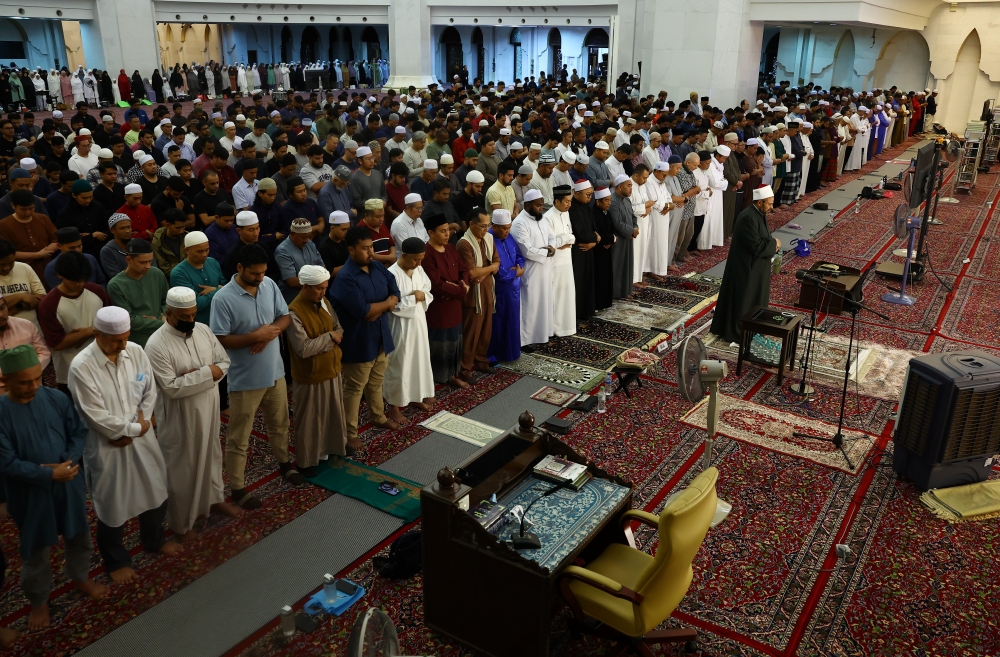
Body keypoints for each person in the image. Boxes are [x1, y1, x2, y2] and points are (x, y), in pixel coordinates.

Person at [67, 306, 184, 584]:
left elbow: (148, 390)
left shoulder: (135, 351)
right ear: (97, 334)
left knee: (155, 488)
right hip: (106, 444)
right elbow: (93, 413)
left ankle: (153, 540)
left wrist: (140, 424)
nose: (122, 346)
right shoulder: (82, 366)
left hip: (142, 438)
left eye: (125, 338)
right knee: (112, 502)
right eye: (115, 340)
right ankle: (116, 560)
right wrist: (133, 428)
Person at [0, 345, 109, 630]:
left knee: (79, 535)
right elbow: (6, 462)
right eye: (24, 382)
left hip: (68, 482)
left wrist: (69, 461)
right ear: (6, 380)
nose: (34, 387)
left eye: (38, 378)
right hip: (29, 494)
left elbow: (78, 432)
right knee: (36, 549)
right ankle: (38, 601)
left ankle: (81, 577)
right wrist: (47, 474)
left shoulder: (56, 398)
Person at [210, 243, 300, 509]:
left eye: (263, 272)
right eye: (254, 274)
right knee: (240, 436)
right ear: (239, 268)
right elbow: (219, 339)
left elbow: (284, 317)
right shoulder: (222, 298)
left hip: (275, 373)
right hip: (245, 380)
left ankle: (285, 463)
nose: (260, 278)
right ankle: (238, 487)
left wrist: (269, 333)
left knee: (280, 424)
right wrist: (253, 337)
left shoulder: (269, 284)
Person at [145, 288, 238, 541]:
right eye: (184, 316)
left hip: (209, 406)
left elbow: (224, 362)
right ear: (169, 314)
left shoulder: (204, 330)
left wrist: (198, 374)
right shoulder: (156, 344)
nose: (191, 320)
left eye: (194, 314)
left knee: (212, 454)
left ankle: (214, 500)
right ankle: (181, 525)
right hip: (180, 416)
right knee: (182, 468)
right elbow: (172, 387)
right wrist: (207, 372)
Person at [329, 226, 403, 451]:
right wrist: (386, 304)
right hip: (358, 341)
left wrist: (383, 306)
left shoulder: (377, 267)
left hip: (380, 336)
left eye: (371, 247)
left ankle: (378, 416)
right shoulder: (345, 278)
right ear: (351, 250)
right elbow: (362, 310)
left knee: (376, 381)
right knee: (354, 388)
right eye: (365, 248)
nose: (371, 252)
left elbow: (395, 292)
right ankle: (349, 433)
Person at [285, 265, 349, 476]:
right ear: (305, 287)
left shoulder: (324, 302)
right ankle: (307, 462)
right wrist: (329, 338)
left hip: (331, 368)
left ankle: (331, 450)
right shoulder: (294, 312)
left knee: (332, 414)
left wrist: (331, 336)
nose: (323, 292)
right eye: (319, 288)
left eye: (325, 288)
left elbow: (338, 327)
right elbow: (304, 348)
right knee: (310, 421)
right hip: (310, 375)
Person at [710, 185, 780, 344]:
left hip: (755, 268)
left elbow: (762, 238)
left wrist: (771, 243)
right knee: (743, 302)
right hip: (746, 269)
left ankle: (753, 330)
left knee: (754, 300)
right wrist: (775, 244)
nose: (772, 207)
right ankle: (739, 334)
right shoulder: (748, 217)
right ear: (760, 202)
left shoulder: (758, 214)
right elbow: (756, 246)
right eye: (769, 204)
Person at [38, 251, 111, 395]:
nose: (79, 284)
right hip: (70, 370)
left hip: (103, 364)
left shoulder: (96, 291)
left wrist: (87, 332)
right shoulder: (49, 304)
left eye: (83, 279)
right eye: (74, 280)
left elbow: (111, 324)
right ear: (60, 275)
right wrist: (91, 331)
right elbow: (57, 343)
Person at [384, 237, 436, 420]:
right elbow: (391, 304)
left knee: (418, 360)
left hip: (419, 323)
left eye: (421, 259)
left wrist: (419, 295)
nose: (419, 263)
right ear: (404, 255)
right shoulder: (391, 274)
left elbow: (427, 289)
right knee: (399, 364)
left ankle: (415, 396)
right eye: (415, 259)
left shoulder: (418, 269)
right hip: (400, 327)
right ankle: (394, 406)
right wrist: (414, 298)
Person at [423, 214, 470, 387]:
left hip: (454, 305)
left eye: (448, 230)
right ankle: (437, 379)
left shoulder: (450, 249)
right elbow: (437, 285)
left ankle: (452, 375)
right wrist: (461, 290)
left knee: (455, 341)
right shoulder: (427, 254)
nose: (447, 234)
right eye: (442, 231)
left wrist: (461, 285)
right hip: (439, 308)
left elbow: (463, 270)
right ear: (431, 233)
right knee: (440, 344)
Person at [510, 189, 554, 347]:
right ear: (527, 205)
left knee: (544, 302)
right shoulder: (519, 223)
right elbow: (526, 250)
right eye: (538, 205)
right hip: (531, 271)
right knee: (530, 305)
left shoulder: (542, 219)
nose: (541, 208)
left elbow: (552, 237)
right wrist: (546, 252)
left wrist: (551, 247)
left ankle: (543, 334)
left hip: (545, 269)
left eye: (542, 205)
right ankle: (526, 340)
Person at [458, 209, 500, 378]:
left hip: (487, 290)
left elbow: (497, 262)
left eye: (488, 225)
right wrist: (489, 269)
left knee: (485, 332)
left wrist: (484, 272)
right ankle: (465, 368)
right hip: (473, 295)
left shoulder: (488, 238)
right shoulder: (464, 243)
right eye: (483, 226)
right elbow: (472, 273)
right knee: (471, 333)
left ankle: (481, 361)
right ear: (471, 224)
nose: (486, 229)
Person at [107, 239, 167, 348]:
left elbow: (166, 301)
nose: (148, 266)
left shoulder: (157, 274)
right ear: (128, 259)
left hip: (163, 336)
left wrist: (165, 316)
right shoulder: (115, 285)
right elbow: (127, 319)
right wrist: (160, 323)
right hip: (137, 342)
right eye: (143, 262)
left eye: (150, 261)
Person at [487, 209, 524, 362]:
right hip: (500, 289)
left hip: (514, 289)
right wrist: (514, 274)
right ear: (494, 226)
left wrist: (520, 267)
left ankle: (512, 353)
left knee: (512, 320)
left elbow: (519, 256)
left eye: (509, 228)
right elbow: (496, 270)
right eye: (504, 228)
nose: (507, 231)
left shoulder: (509, 237)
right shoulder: (489, 240)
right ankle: (497, 355)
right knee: (500, 322)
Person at [169, 231, 226, 326]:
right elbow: (195, 304)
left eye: (207, 250)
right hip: (198, 325)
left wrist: (214, 290)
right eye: (200, 251)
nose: (204, 254)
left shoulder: (213, 263)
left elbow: (227, 288)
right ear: (187, 250)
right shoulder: (179, 273)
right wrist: (218, 290)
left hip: (221, 320)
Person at [0, 189, 58, 281]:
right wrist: (36, 255)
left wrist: (43, 253)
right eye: (23, 210)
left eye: (31, 208)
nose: (28, 213)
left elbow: (56, 240)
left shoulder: (43, 219)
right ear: (13, 206)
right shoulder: (4, 225)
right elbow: (5, 252)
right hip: (21, 269)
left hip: (47, 266)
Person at [0, 295, 50, 395]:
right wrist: (13, 378)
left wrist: (27, 374)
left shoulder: (26, 325)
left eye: (2, 307)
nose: (1, 314)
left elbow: (44, 353)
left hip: (33, 389)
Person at [568, 180, 599, 322]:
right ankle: (578, 312)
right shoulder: (572, 209)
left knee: (588, 278)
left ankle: (587, 310)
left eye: (591, 194)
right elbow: (578, 233)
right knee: (579, 280)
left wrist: (594, 241)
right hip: (578, 250)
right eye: (587, 195)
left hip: (589, 248)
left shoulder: (586, 206)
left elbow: (592, 225)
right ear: (577, 193)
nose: (590, 197)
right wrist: (595, 239)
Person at [274, 218, 324, 304]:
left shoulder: (310, 244)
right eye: (303, 237)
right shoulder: (282, 251)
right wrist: (317, 282)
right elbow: (292, 281)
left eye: (308, 236)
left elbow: (322, 267)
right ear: (292, 234)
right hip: (293, 299)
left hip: (314, 294)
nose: (306, 240)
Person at [319, 211, 351, 279]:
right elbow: (329, 272)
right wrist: (352, 264)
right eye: (343, 230)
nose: (346, 232)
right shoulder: (324, 247)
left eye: (348, 229)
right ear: (332, 228)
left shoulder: (347, 239)